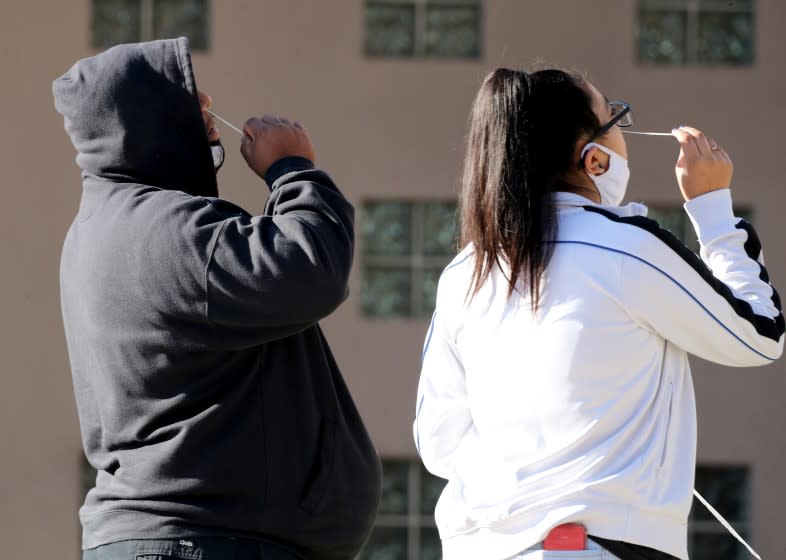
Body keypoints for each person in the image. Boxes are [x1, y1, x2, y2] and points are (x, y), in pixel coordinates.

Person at [414, 68, 784, 560]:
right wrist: (713, 209)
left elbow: (439, 441)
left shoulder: (464, 271)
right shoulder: (626, 247)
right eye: (615, 118)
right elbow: (758, 334)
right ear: (594, 159)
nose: (623, 129)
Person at [53, 37, 381, 560]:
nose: (206, 105)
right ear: (143, 117)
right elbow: (311, 268)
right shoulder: (161, 228)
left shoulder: (107, 226)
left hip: (193, 537)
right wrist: (293, 170)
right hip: (205, 540)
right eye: (186, 94)